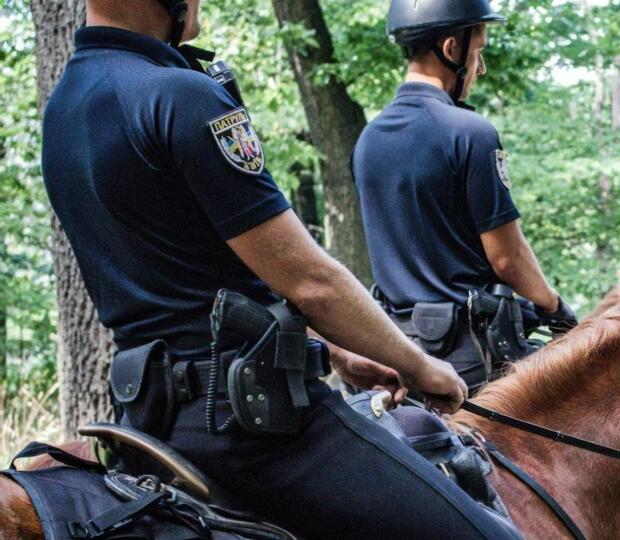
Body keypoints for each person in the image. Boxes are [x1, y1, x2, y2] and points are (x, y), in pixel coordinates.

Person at [40, 0, 520, 538]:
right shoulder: (181, 94)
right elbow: (311, 280)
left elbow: (196, 270)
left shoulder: (64, 107)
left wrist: (340, 350)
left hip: (149, 420)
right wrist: (422, 368)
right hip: (257, 427)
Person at [353, 0, 578, 393]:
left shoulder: (369, 140)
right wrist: (555, 308)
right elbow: (508, 258)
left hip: (398, 356)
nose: (481, 68)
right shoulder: (469, 132)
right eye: (479, 53)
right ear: (452, 48)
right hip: (472, 361)